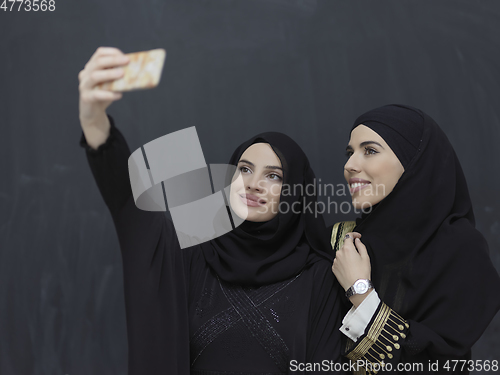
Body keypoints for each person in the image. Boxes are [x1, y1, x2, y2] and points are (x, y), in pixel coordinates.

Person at [78, 47, 346, 375]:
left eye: (273, 175)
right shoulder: (195, 252)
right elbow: (131, 206)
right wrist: (94, 121)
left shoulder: (319, 277)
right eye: (244, 169)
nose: (253, 183)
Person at [330, 104, 500, 374]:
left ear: (413, 162)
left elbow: (435, 364)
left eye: (370, 151)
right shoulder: (343, 243)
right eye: (349, 153)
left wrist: (359, 290)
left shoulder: (461, 251)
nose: (349, 165)